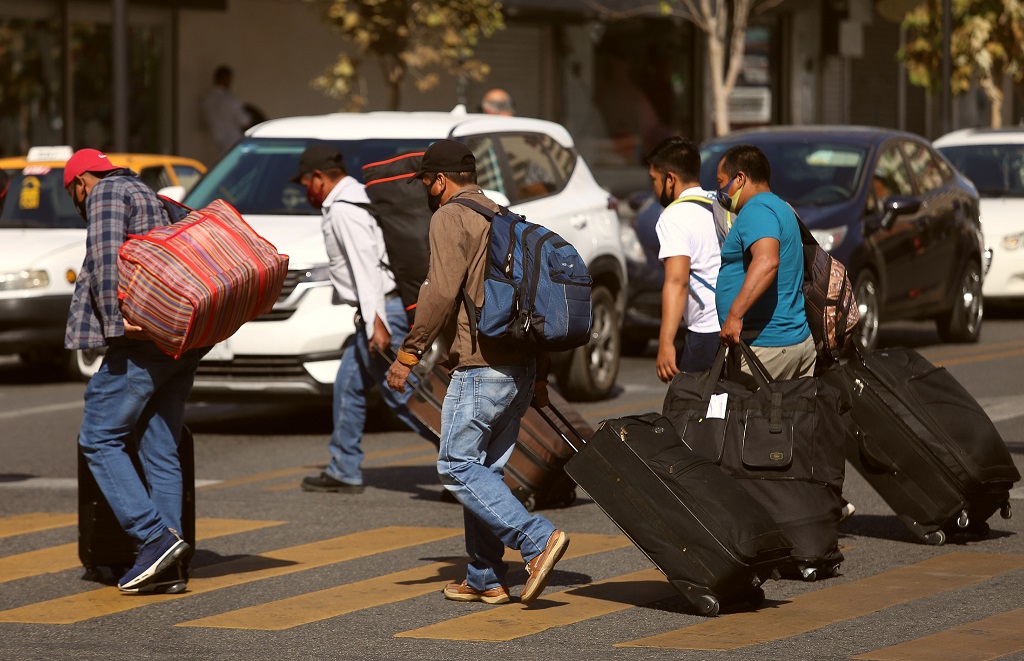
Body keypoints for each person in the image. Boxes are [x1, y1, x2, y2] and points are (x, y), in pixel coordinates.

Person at [386, 139, 569, 606]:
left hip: (481, 366)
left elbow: (440, 291)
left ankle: (536, 539)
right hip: (520, 365)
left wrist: (409, 354)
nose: (427, 191)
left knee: (456, 465)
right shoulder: (503, 215)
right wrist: (541, 376)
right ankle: (485, 575)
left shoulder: (449, 216)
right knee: (483, 471)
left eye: (427, 182)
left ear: (441, 180)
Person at [65, 148, 206, 594]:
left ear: (80, 182)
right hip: (179, 339)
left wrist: (113, 323)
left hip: (141, 340)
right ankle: (171, 565)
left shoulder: (104, 193)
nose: (80, 201)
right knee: (159, 446)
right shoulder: (147, 192)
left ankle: (153, 537)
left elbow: (107, 261)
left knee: (99, 436)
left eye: (74, 194)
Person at [294, 143, 433, 495]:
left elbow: (365, 266)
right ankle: (344, 467)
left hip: (383, 310)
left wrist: (376, 324)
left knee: (404, 398)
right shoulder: (356, 196)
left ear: (318, 178)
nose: (304, 191)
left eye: (305, 183)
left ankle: (463, 462)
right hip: (382, 308)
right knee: (349, 384)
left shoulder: (343, 210)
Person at [713, 144, 815, 385]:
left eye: (721, 183)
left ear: (739, 179)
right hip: (790, 342)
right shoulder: (782, 207)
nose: (720, 192)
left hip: (766, 349)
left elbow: (767, 262)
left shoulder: (756, 210)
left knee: (750, 422)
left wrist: (735, 315)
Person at [647, 136, 722, 382]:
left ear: (671, 179)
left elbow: (677, 281)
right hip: (737, 323)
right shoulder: (720, 202)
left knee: (687, 413)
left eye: (654, 180)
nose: (654, 188)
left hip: (707, 331)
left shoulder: (674, 216)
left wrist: (666, 343)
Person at [200, 65, 250, 153]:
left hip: (213, 141)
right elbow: (244, 121)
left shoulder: (207, 100)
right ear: (225, 79)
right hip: (232, 141)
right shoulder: (229, 99)